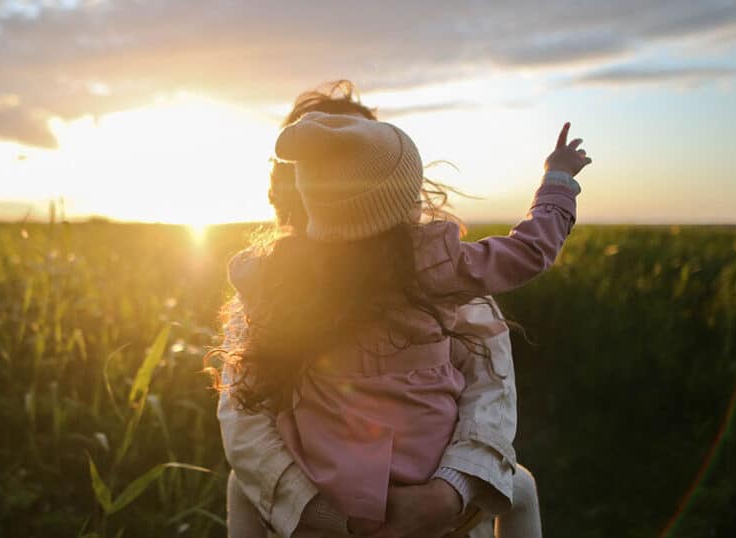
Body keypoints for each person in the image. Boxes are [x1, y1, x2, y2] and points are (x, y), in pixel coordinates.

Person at [211, 81, 589, 537]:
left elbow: (490, 389)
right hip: (363, 493)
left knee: (241, 486)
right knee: (520, 487)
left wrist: (446, 493)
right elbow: (530, 250)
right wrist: (558, 183)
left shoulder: (277, 279)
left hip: (365, 489)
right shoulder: (440, 266)